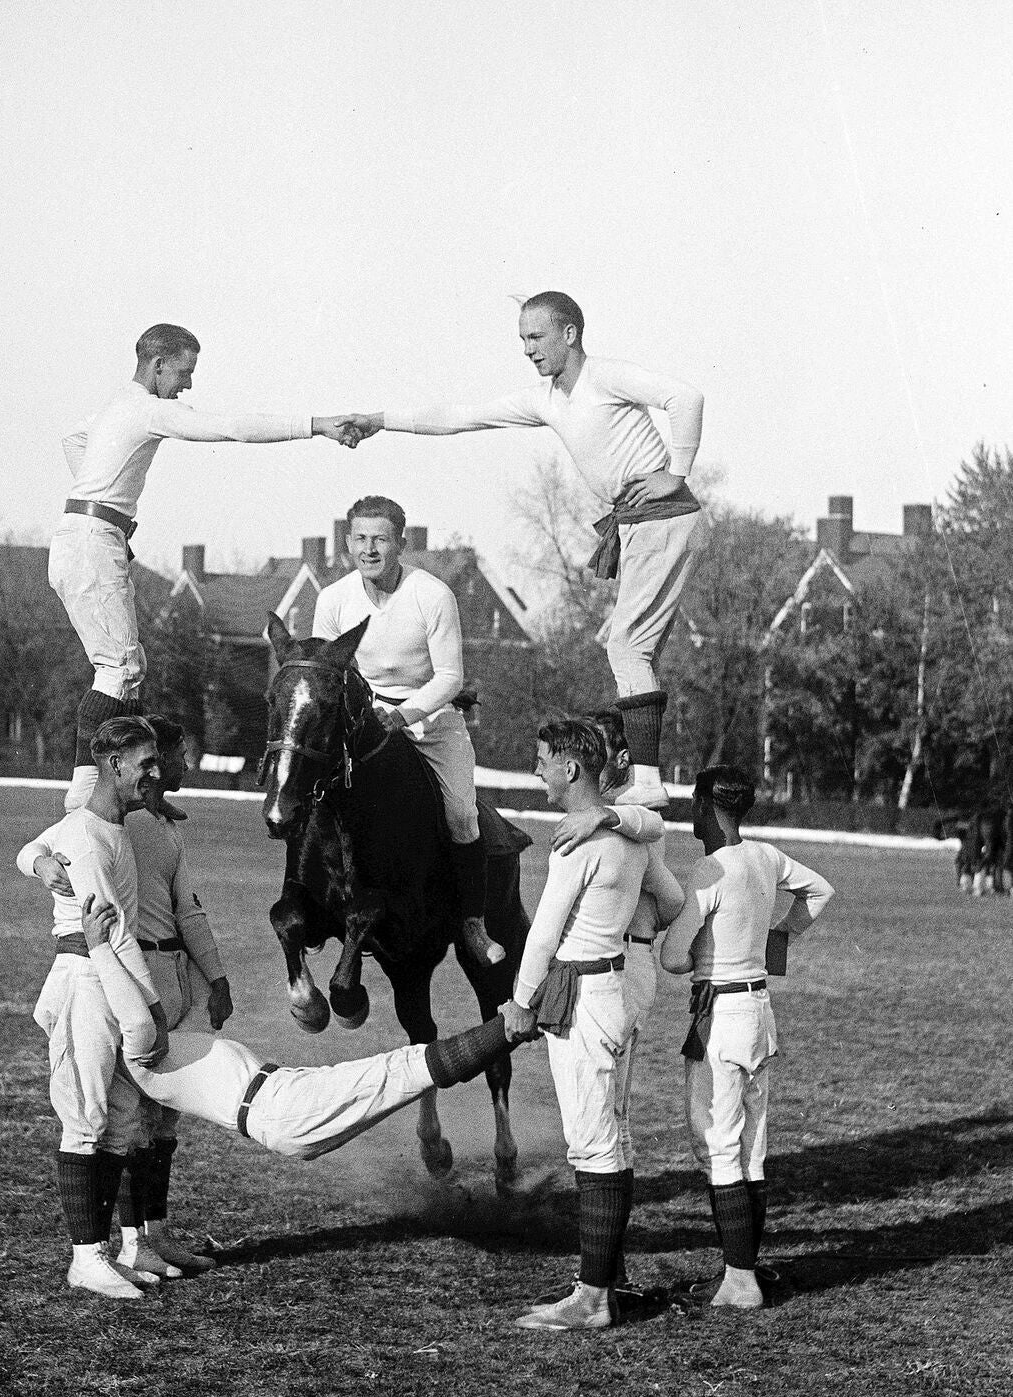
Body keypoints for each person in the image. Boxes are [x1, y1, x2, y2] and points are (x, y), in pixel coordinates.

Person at [340, 292, 706, 803]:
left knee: (626, 645)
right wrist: (381, 419)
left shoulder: (605, 376)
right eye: (522, 340)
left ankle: (647, 784)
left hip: (664, 519)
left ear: (570, 334)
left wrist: (677, 472)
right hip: (640, 526)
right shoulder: (545, 399)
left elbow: (686, 398)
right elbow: (460, 417)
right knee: (624, 643)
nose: (528, 350)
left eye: (536, 337)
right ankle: (633, 772)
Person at [52, 322, 363, 809]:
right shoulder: (147, 410)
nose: (188, 385)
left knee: (130, 670)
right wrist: (318, 425)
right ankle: (85, 803)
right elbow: (231, 428)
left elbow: (72, 439)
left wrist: (99, 499)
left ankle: (130, 793)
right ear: (157, 365)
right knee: (119, 668)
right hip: (93, 540)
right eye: (184, 371)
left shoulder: (116, 408)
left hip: (87, 536)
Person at [77, 896, 537, 1162]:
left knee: (404, 1076)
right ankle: (512, 1028)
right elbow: (135, 1010)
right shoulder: (141, 1047)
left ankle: (511, 1030)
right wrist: (99, 948)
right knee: (402, 1070)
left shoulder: (167, 1041)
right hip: (280, 1110)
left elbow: (168, 989)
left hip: (283, 1100)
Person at [18, 714, 230, 1277]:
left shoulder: (151, 825)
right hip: (108, 972)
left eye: (168, 756)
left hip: (156, 971)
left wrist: (215, 977)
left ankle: (140, 1242)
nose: (174, 766)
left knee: (146, 1115)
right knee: (101, 1115)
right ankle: (101, 1252)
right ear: (121, 766)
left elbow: (188, 909)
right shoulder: (100, 823)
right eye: (163, 757)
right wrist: (39, 864)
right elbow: (55, 856)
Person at [498, 717, 684, 1332]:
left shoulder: (579, 840)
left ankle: (594, 1297)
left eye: (543, 760)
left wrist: (520, 1002)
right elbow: (673, 894)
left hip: (583, 995)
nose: (538, 771)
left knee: (594, 1142)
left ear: (571, 769)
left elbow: (544, 933)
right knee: (614, 1133)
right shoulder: (630, 835)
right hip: (614, 988)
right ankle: (608, 1277)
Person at [660, 765, 834, 1309]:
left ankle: (739, 1282)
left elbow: (671, 957)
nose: (689, 812)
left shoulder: (709, 872)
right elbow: (821, 891)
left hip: (721, 1016)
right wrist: (780, 933)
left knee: (717, 1144)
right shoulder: (766, 857)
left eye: (693, 802)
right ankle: (745, 1270)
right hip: (760, 1010)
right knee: (751, 1148)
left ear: (710, 807)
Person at [311, 494, 503, 968]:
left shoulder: (433, 595)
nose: (369, 549)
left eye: (380, 539)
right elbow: (322, 673)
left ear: (400, 543)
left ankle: (473, 923)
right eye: (360, 538)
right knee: (315, 796)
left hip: (431, 719)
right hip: (361, 720)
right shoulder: (332, 599)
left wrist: (401, 716)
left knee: (461, 813)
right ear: (347, 542)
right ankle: (313, 906)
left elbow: (450, 678)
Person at [19, 715, 171, 1301]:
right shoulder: (86, 836)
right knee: (85, 1114)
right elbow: (113, 934)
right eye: (146, 765)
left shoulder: (113, 828)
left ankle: (112, 1250)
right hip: (89, 979)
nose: (155, 775)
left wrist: (34, 858)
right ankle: (85, 1258)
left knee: (124, 1118)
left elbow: (33, 846)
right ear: (112, 766)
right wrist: (152, 1009)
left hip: (111, 977)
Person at [550, 710, 686, 1290]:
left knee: (603, 1124)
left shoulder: (627, 819)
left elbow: (673, 894)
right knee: (614, 1121)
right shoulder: (620, 818)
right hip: (624, 967)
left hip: (619, 965)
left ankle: (601, 1282)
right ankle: (611, 1270)